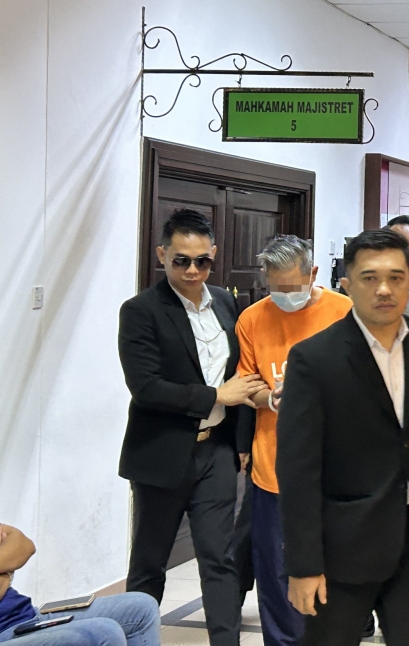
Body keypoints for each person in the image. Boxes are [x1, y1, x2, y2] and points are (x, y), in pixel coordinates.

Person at [277, 229, 409, 646]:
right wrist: (303, 565)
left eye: (396, 276)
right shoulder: (314, 359)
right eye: (370, 278)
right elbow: (298, 469)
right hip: (343, 543)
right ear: (347, 283)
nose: (384, 289)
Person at [118, 209, 266, 646]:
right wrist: (216, 397)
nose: (192, 270)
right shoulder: (141, 310)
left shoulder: (224, 301)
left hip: (215, 451)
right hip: (161, 453)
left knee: (220, 559)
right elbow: (146, 387)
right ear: (162, 254)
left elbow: (241, 373)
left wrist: (241, 441)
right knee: (150, 563)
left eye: (202, 260)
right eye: (181, 260)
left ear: (214, 255)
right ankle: (134, 639)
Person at [235, 235, 354, 646]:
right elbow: (244, 384)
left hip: (337, 473)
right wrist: (269, 398)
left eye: (292, 287)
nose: (284, 296)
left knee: (336, 581)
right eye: (275, 287)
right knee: (278, 581)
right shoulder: (252, 318)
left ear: (313, 274)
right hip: (275, 474)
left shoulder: (345, 312)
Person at [0, 524, 160, 645]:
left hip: (25, 614)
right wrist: (8, 570)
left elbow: (23, 545)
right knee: (102, 632)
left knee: (141, 607)